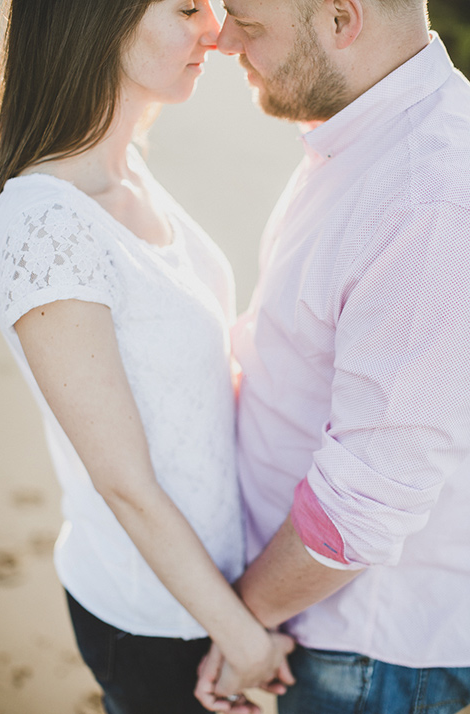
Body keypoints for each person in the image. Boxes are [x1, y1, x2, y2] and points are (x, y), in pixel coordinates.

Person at [0, 1, 294, 710]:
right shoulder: (44, 227)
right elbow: (124, 480)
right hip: (157, 617)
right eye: (187, 7)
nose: (215, 28)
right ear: (96, 20)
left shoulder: (124, 166)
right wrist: (240, 636)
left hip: (212, 587)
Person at [193, 1, 470, 712]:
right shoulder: (366, 137)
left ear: (342, 20)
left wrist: (244, 620)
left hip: (360, 651)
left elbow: (366, 501)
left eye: (249, 24)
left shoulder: (428, 196)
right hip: (313, 619)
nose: (222, 40)